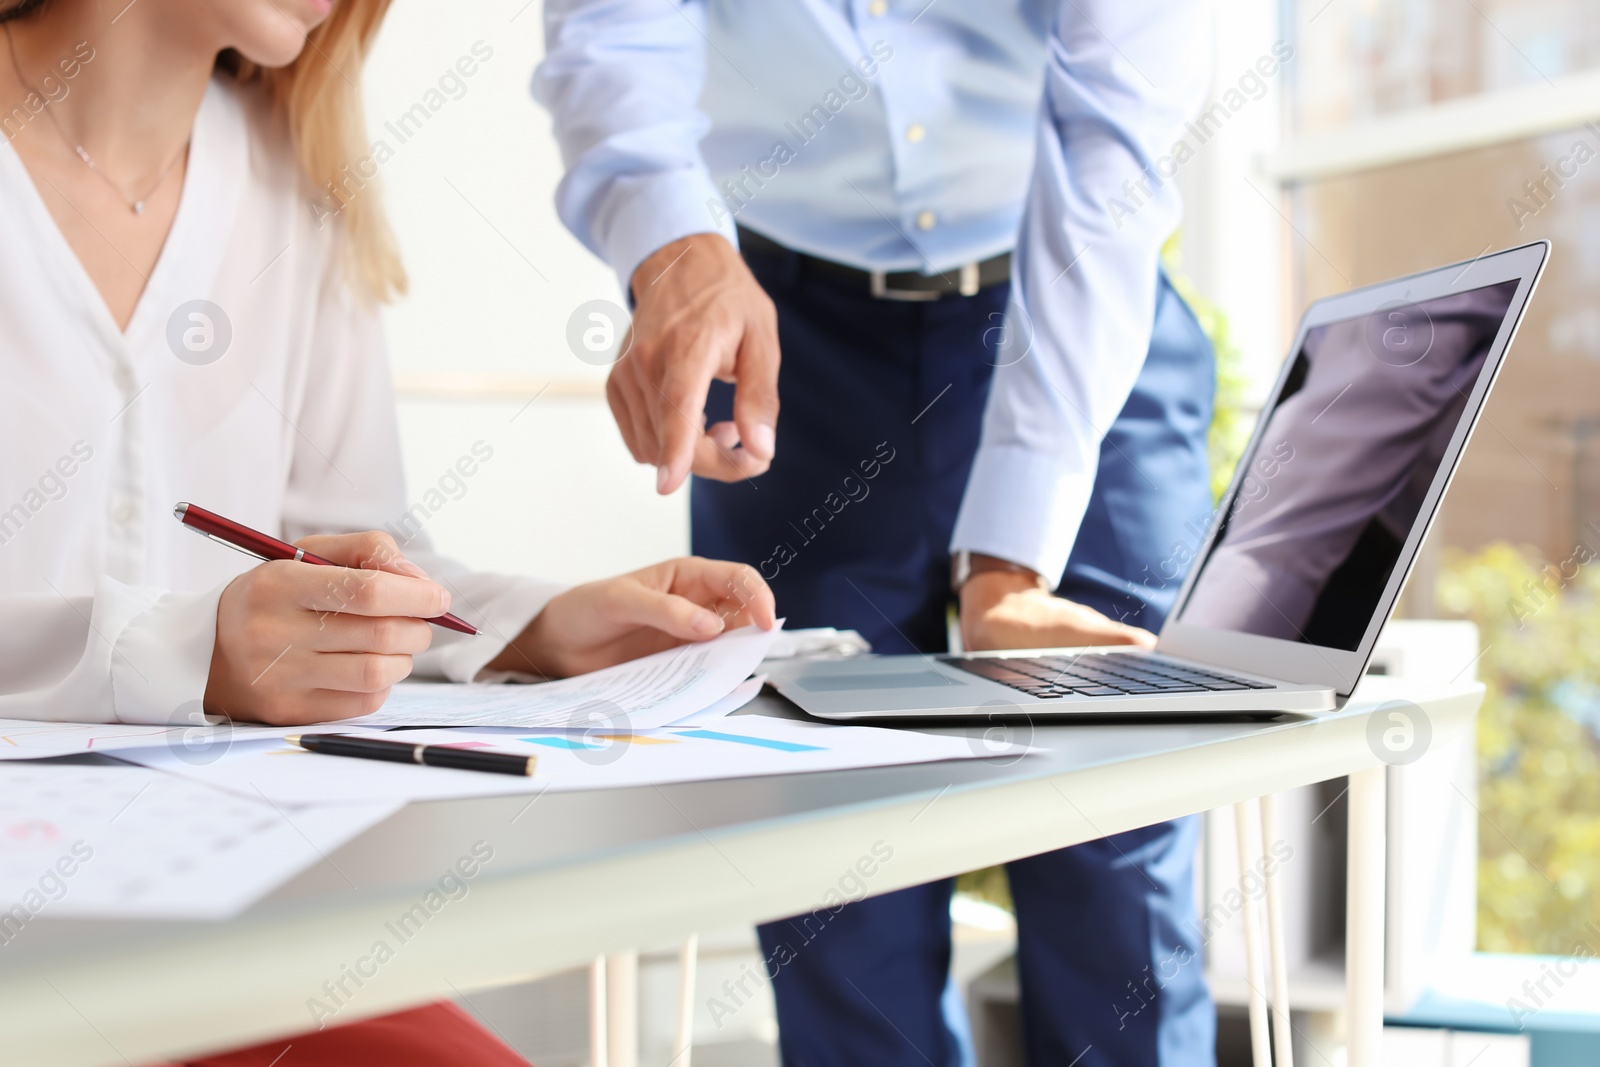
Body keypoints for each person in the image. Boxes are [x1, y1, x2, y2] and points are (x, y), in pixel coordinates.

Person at [0, 0, 773, 1063]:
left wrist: (536, 626)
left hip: (216, 925)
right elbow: (222, 632)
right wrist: (191, 652)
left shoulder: (293, 192)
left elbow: (342, 543)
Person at [536, 2, 1218, 1064]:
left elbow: (1109, 153)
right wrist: (672, 249)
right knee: (833, 871)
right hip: (790, 337)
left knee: (1115, 844)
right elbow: (613, 38)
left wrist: (1010, 564)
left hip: (1074, 309)